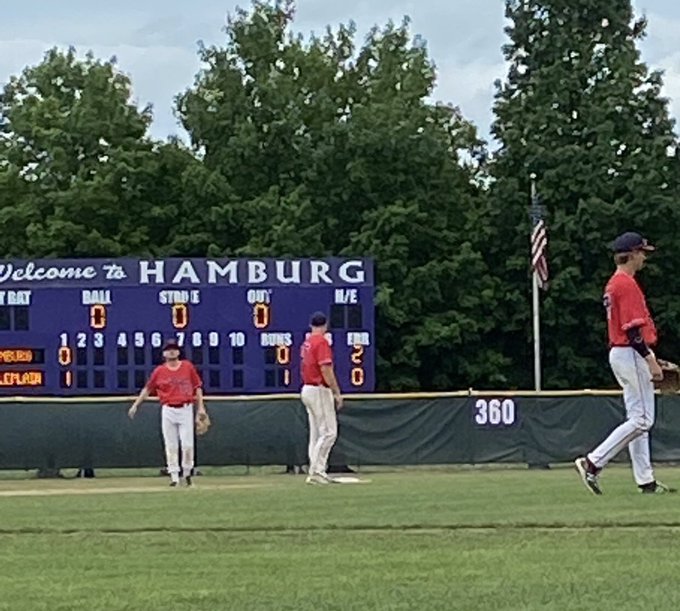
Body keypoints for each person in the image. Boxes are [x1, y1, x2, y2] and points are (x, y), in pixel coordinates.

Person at [575, 232, 675, 495]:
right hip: (630, 351)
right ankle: (593, 462)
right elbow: (632, 331)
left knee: (637, 419)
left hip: (622, 352)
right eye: (642, 252)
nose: (644, 257)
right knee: (642, 420)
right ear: (630, 254)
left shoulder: (614, 283)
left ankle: (646, 481)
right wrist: (649, 359)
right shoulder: (625, 284)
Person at [128, 338, 207, 487]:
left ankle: (188, 474)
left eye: (174, 348)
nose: (171, 351)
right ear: (164, 353)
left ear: (178, 351)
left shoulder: (187, 366)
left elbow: (197, 387)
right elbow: (148, 388)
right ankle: (174, 477)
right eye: (168, 349)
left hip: (185, 408)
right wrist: (136, 404)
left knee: (187, 444)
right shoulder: (160, 371)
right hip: (168, 409)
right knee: (171, 445)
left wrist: (201, 408)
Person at [300, 312, 343, 485]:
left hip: (307, 388)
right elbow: (326, 369)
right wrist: (336, 392)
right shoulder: (322, 341)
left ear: (311, 325)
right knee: (329, 432)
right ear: (325, 326)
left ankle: (317, 470)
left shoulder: (307, 342)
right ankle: (317, 471)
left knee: (316, 434)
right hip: (318, 389)